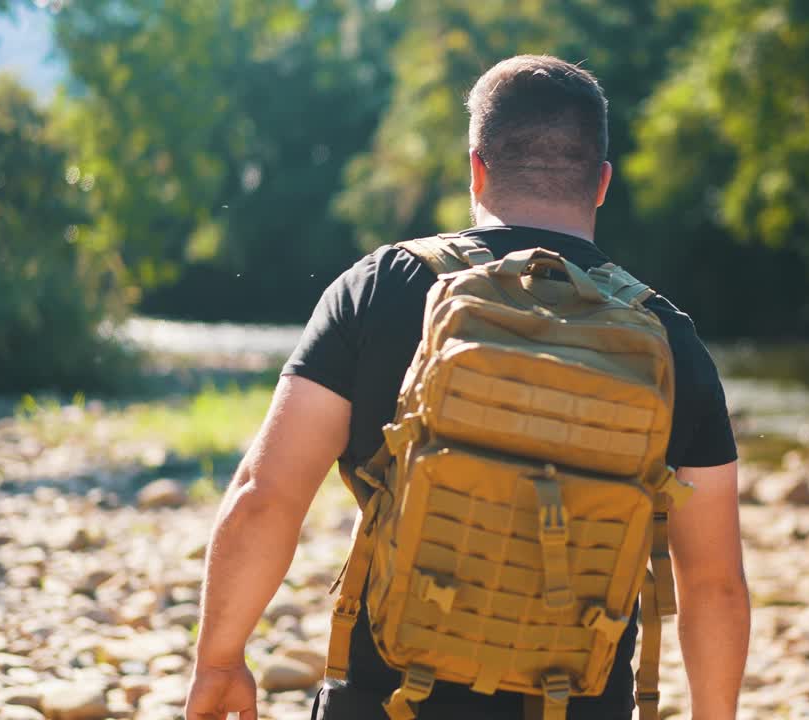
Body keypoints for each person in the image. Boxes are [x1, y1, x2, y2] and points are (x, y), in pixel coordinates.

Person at [184, 54, 750, 720]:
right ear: (601, 183)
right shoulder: (666, 336)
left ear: (476, 167)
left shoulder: (381, 287)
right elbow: (714, 587)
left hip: (387, 699)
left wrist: (220, 659)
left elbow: (266, 495)